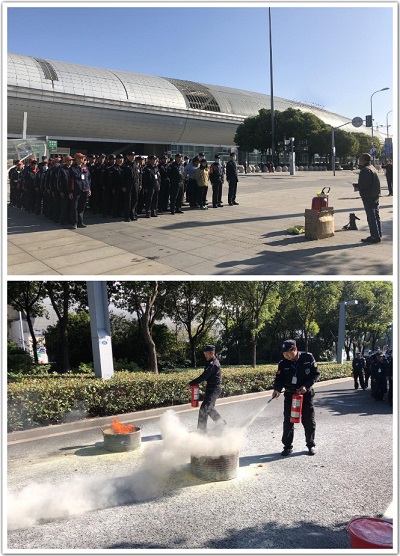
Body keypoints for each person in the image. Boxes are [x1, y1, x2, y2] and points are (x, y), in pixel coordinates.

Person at [272, 339, 320, 456]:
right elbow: (279, 379)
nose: (286, 355)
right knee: (288, 422)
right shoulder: (283, 363)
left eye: (288, 353)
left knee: (308, 421)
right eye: (284, 353)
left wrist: (306, 386)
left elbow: (315, 374)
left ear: (294, 349)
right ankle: (287, 446)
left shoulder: (308, 358)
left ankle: (311, 445)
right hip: (290, 395)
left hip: (306, 395)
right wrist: (277, 389)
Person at [184, 345, 226, 432]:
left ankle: (201, 430)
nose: (205, 356)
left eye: (206, 354)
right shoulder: (210, 362)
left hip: (215, 389)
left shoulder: (213, 364)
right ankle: (222, 425)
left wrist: (190, 384)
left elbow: (203, 377)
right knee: (209, 409)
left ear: (212, 353)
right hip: (210, 388)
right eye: (204, 354)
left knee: (205, 408)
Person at [353, 153, 381, 243]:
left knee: (371, 217)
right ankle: (378, 234)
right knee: (376, 216)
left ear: (363, 160)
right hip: (375, 195)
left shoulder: (365, 170)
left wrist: (357, 186)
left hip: (368, 196)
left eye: (360, 159)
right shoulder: (372, 167)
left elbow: (365, 185)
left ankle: (374, 236)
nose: (359, 160)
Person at [68, 153, 91, 229]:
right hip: (76, 190)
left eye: (83, 158)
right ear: (77, 159)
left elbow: (88, 179)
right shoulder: (72, 168)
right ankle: (74, 222)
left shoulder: (85, 167)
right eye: (81, 158)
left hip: (84, 189)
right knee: (74, 207)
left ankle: (80, 222)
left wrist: (89, 188)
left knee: (82, 207)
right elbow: (69, 181)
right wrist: (70, 192)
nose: (82, 159)